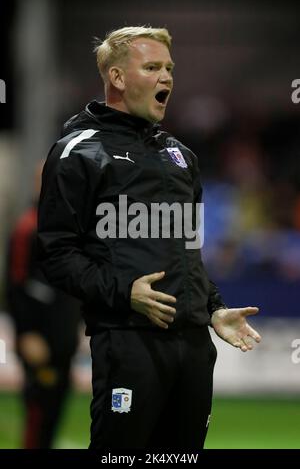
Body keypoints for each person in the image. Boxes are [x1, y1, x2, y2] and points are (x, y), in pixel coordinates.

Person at [37, 26, 261, 450]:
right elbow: (56, 254)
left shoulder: (181, 156)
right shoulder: (79, 151)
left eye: (170, 68)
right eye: (153, 67)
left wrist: (212, 307)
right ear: (118, 78)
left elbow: (184, 250)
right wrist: (125, 293)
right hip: (128, 341)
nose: (167, 78)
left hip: (194, 345)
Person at [5, 162, 81, 448]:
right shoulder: (28, 227)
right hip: (39, 341)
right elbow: (16, 285)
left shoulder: (66, 228)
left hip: (61, 343)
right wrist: (27, 333)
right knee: (39, 417)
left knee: (51, 417)